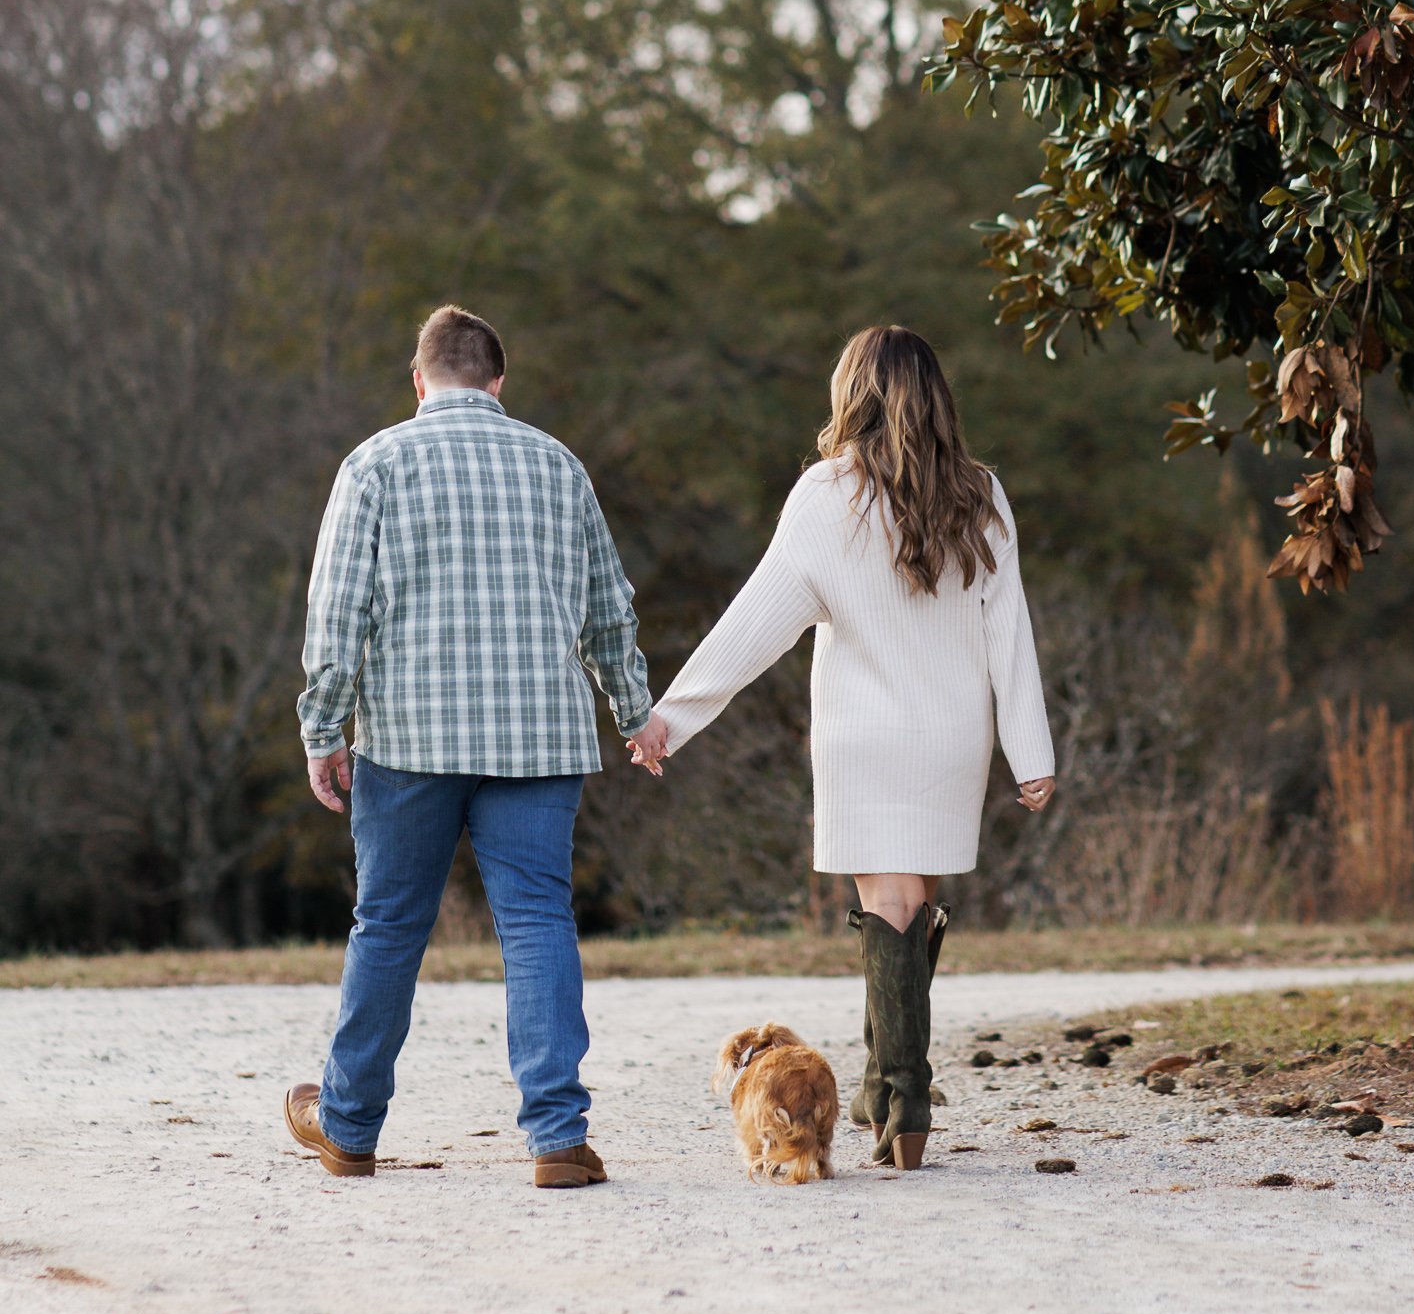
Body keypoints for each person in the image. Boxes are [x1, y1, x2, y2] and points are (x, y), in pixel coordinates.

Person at [630, 324, 1056, 1170]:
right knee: (910, 906)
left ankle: (904, 1097)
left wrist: (672, 715)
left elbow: (755, 623)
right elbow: (1009, 631)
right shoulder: (981, 494)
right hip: (951, 736)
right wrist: (1028, 748)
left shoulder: (826, 496)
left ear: (849, 394)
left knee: (888, 908)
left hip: (863, 738)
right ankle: (887, 1093)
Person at [286, 304, 660, 1187]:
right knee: (536, 922)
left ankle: (347, 1129)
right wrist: (633, 710)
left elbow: (336, 617)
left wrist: (322, 728)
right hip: (538, 737)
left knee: (388, 925)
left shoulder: (374, 462)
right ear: (499, 381)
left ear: (419, 381)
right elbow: (611, 609)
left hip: (408, 736)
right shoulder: (557, 464)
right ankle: (558, 1137)